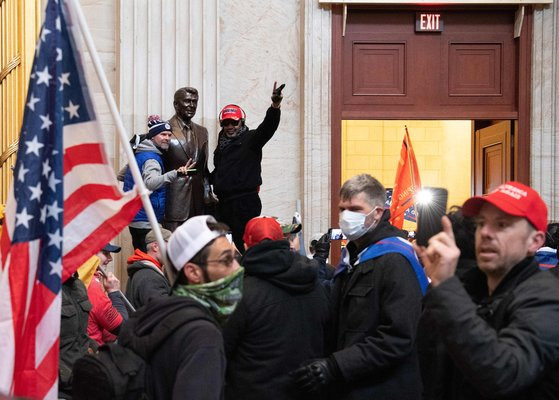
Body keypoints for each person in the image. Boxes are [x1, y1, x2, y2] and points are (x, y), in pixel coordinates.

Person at [415, 181, 559, 399]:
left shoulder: (547, 297)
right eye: (481, 223)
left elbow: (505, 374)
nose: (486, 233)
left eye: (502, 225)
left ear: (534, 241)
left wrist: (446, 287)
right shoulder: (472, 290)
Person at [291, 174, 427, 400]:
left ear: (378, 213)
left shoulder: (395, 259)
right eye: (342, 209)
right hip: (354, 385)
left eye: (355, 209)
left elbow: (398, 336)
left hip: (386, 389)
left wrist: (335, 366)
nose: (346, 216)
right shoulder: (354, 257)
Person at [118, 215, 244, 399]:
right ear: (193, 272)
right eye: (226, 260)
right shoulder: (202, 334)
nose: (237, 268)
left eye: (235, 258)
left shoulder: (156, 315)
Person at [223, 216, 330, 400]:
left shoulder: (238, 293)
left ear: (246, 245)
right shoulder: (316, 285)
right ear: (284, 242)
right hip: (309, 390)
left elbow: (221, 351)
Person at [211, 82, 284, 252]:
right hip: (223, 205)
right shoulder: (221, 146)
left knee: (246, 246)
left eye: (233, 123)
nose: (229, 127)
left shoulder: (251, 139)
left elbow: (268, 127)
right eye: (226, 123)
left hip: (244, 203)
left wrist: (275, 105)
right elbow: (221, 171)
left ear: (242, 122)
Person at [123, 115, 193, 250]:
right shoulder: (151, 159)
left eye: (168, 135)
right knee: (153, 256)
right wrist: (176, 173)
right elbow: (150, 183)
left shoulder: (140, 154)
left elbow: (122, 175)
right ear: (153, 136)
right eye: (162, 134)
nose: (167, 138)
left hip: (136, 217)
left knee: (140, 256)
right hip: (146, 219)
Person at [165, 87, 211, 230]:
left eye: (194, 101)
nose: (191, 105)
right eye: (187, 101)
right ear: (176, 105)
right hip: (174, 201)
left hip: (198, 202)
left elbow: (203, 168)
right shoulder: (164, 130)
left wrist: (207, 190)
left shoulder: (203, 131)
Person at [80, 244, 129, 346]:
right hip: (93, 353)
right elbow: (123, 328)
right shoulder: (92, 285)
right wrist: (114, 292)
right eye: (105, 253)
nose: (110, 258)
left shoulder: (81, 278)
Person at [59, 272, 98, 399]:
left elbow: (82, 333)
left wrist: (101, 354)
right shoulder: (42, 288)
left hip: (85, 380)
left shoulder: (78, 286)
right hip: (59, 387)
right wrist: (65, 375)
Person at [125, 227, 172, 309]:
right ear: (155, 247)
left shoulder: (144, 271)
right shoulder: (150, 277)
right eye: (171, 246)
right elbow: (163, 312)